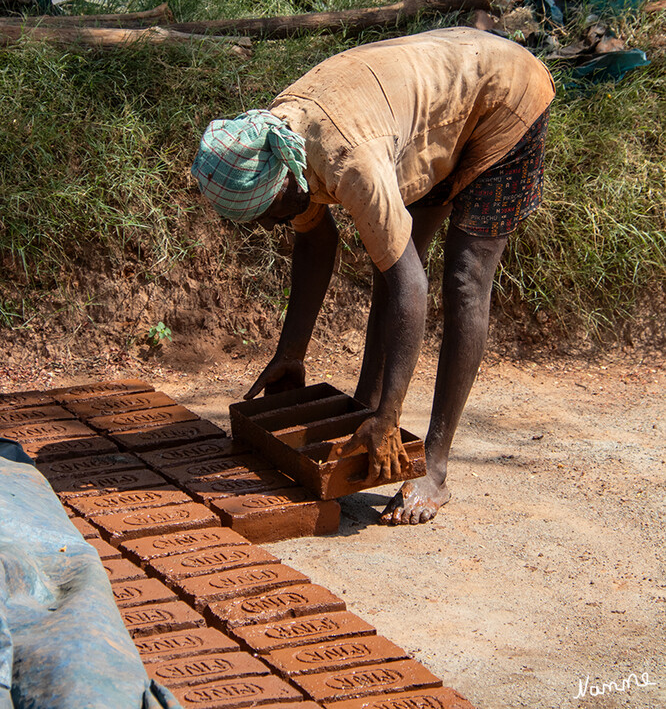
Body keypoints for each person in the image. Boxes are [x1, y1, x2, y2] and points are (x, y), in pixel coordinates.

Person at [191, 27, 555, 524]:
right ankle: (366, 410)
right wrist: (291, 353)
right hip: (427, 111)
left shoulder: (347, 161)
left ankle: (436, 468)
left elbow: (412, 287)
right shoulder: (276, 140)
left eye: (271, 212)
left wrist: (392, 416)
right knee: (395, 257)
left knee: (463, 280)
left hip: (503, 98)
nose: (272, 224)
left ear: (288, 181)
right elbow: (317, 243)